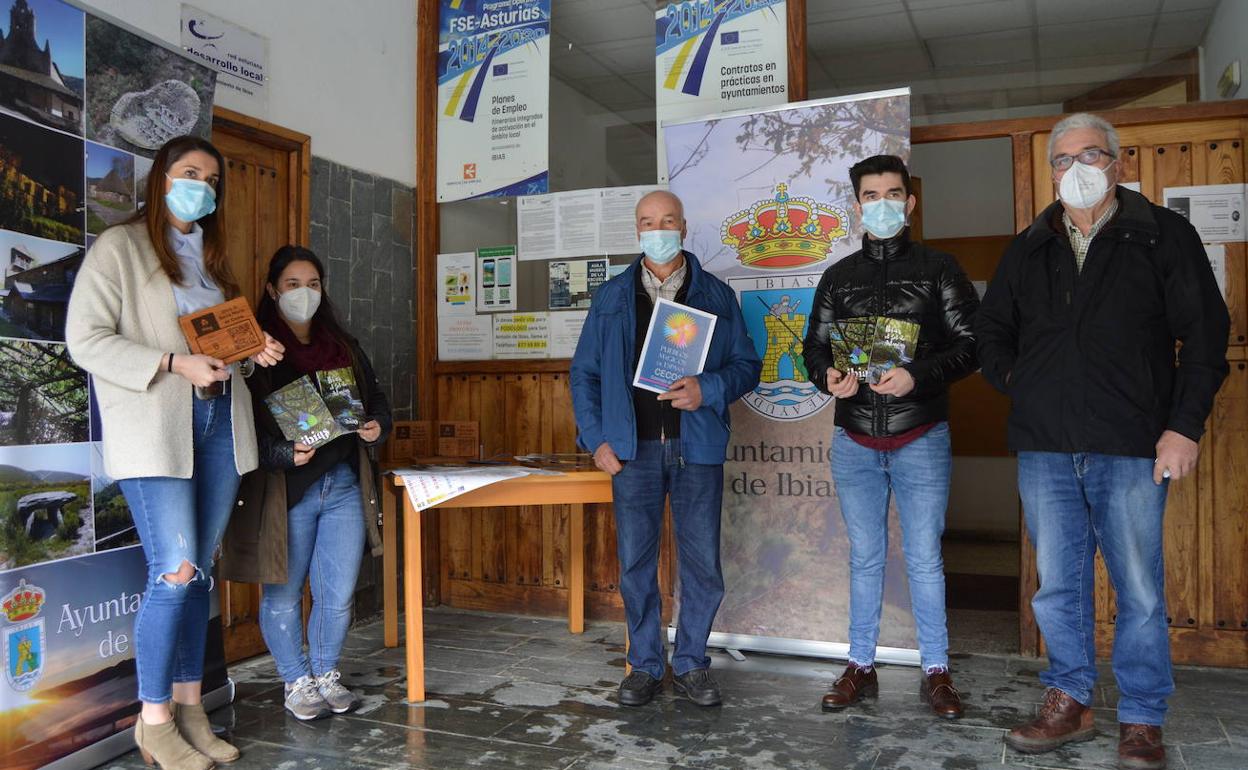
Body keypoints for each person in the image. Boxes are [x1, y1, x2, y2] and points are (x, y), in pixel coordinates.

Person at [976, 113, 1230, 770]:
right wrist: (1018, 381)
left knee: (1138, 589)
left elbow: (1206, 337)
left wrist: (1184, 426)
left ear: (1118, 163)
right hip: (1046, 445)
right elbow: (991, 329)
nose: (1076, 168)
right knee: (1057, 587)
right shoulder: (1030, 246)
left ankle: (1143, 717)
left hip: (1131, 444)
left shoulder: (1163, 235)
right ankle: (1070, 700)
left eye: (1090, 154)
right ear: (1051, 171)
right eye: (1063, 159)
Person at [66, 135, 284, 770]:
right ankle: (154, 720)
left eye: (212, 181)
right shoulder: (121, 247)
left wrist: (254, 349)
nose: (202, 188)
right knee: (176, 571)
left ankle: (192, 710)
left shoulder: (213, 262)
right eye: (191, 173)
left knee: (201, 575)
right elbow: (85, 339)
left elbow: (220, 347)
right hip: (157, 426)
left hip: (219, 421)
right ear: (161, 177)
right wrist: (171, 362)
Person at [803, 154, 980, 720]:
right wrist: (827, 377)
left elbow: (972, 345)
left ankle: (936, 670)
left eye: (893, 194)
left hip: (919, 434)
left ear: (910, 202)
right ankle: (860, 664)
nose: (883, 204)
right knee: (865, 557)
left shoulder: (940, 268)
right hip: (854, 438)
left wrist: (917, 375)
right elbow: (813, 348)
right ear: (857, 206)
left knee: (925, 558)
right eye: (871, 195)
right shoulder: (838, 276)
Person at [570, 190, 761, 707]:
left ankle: (693, 663)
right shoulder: (611, 297)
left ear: (684, 226)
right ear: (638, 231)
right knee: (635, 566)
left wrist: (709, 389)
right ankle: (645, 665)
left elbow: (747, 366)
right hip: (632, 452)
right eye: (648, 222)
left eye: (667, 220)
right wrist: (596, 439)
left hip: (696, 448)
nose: (658, 230)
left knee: (703, 566)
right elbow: (584, 374)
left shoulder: (716, 295)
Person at [222, 245, 391, 721]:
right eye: (293, 284)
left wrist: (378, 425)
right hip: (287, 492)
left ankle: (325, 672)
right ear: (272, 290)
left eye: (313, 284)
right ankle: (296, 680)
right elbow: (237, 425)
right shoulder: (256, 354)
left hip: (343, 485)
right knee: (284, 593)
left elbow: (377, 399)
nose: (304, 293)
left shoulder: (343, 346)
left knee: (337, 593)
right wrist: (282, 453)